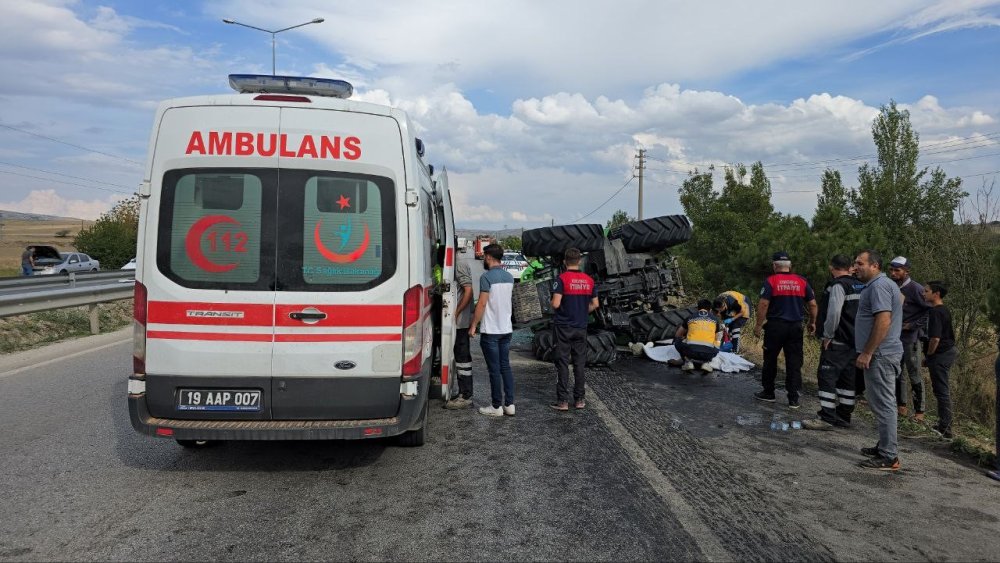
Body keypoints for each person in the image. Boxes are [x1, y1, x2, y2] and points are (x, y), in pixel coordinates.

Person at [853, 249, 904, 471]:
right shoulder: (883, 285)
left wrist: (868, 352)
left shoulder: (879, 286)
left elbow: (883, 320)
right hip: (883, 353)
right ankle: (884, 445)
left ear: (874, 266)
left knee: (884, 404)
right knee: (882, 403)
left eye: (860, 263)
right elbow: (899, 302)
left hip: (881, 354)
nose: (855, 267)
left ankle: (889, 456)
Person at [803, 255, 865, 430]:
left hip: (838, 340)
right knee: (847, 379)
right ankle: (844, 415)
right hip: (854, 341)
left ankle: (827, 417)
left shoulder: (838, 285)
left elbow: (834, 313)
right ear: (849, 267)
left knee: (827, 376)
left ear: (832, 267)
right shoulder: (860, 285)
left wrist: (828, 335)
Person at [752, 251, 818, 409]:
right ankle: (793, 398)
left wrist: (758, 325)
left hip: (775, 327)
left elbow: (764, 304)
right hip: (795, 327)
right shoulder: (802, 281)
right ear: (790, 266)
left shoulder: (771, 281)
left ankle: (769, 392)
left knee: (770, 359)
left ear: (774, 266)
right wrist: (812, 322)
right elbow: (813, 304)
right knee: (794, 362)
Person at [549, 248, 599, 412]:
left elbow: (556, 303)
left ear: (565, 261)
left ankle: (563, 401)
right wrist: (583, 312)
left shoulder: (561, 279)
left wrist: (552, 304)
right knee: (579, 364)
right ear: (579, 261)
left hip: (563, 327)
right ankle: (579, 400)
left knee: (562, 363)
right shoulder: (589, 280)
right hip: (580, 327)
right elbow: (595, 304)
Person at [470, 244, 516, 417]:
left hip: (491, 330)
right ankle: (509, 405)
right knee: (505, 367)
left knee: (494, 370)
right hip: (506, 329)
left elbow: (482, 303)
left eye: (484, 256)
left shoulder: (486, 277)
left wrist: (473, 325)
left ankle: (496, 406)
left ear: (489, 257)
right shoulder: (509, 277)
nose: (483, 258)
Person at [888, 256, 931, 420]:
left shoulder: (916, 289)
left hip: (911, 339)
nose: (893, 273)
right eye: (891, 270)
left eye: (897, 270)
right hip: (894, 337)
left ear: (906, 271)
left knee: (914, 373)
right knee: (897, 372)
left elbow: (930, 311)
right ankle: (901, 407)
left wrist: (913, 325)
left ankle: (919, 412)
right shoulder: (892, 286)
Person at [922, 281, 957, 439]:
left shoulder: (936, 312)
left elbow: (935, 338)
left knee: (941, 390)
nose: (923, 293)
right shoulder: (944, 309)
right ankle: (944, 424)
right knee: (941, 389)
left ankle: (946, 428)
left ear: (936, 294)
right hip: (946, 352)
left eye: (926, 291)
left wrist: (929, 356)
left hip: (941, 354)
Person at [445, 258, 475, 409]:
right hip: (457, 322)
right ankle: (463, 393)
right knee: (458, 358)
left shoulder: (459, 264)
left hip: (460, 323)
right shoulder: (454, 263)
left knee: (462, 359)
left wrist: (456, 312)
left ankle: (466, 395)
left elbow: (468, 290)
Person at [674, 299, 723, 374]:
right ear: (710, 309)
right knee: (717, 340)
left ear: (697, 308)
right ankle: (706, 362)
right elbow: (718, 337)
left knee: (677, 340)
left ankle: (687, 361)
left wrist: (685, 337)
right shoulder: (715, 320)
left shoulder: (690, 317)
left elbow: (678, 334)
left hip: (690, 352)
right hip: (709, 354)